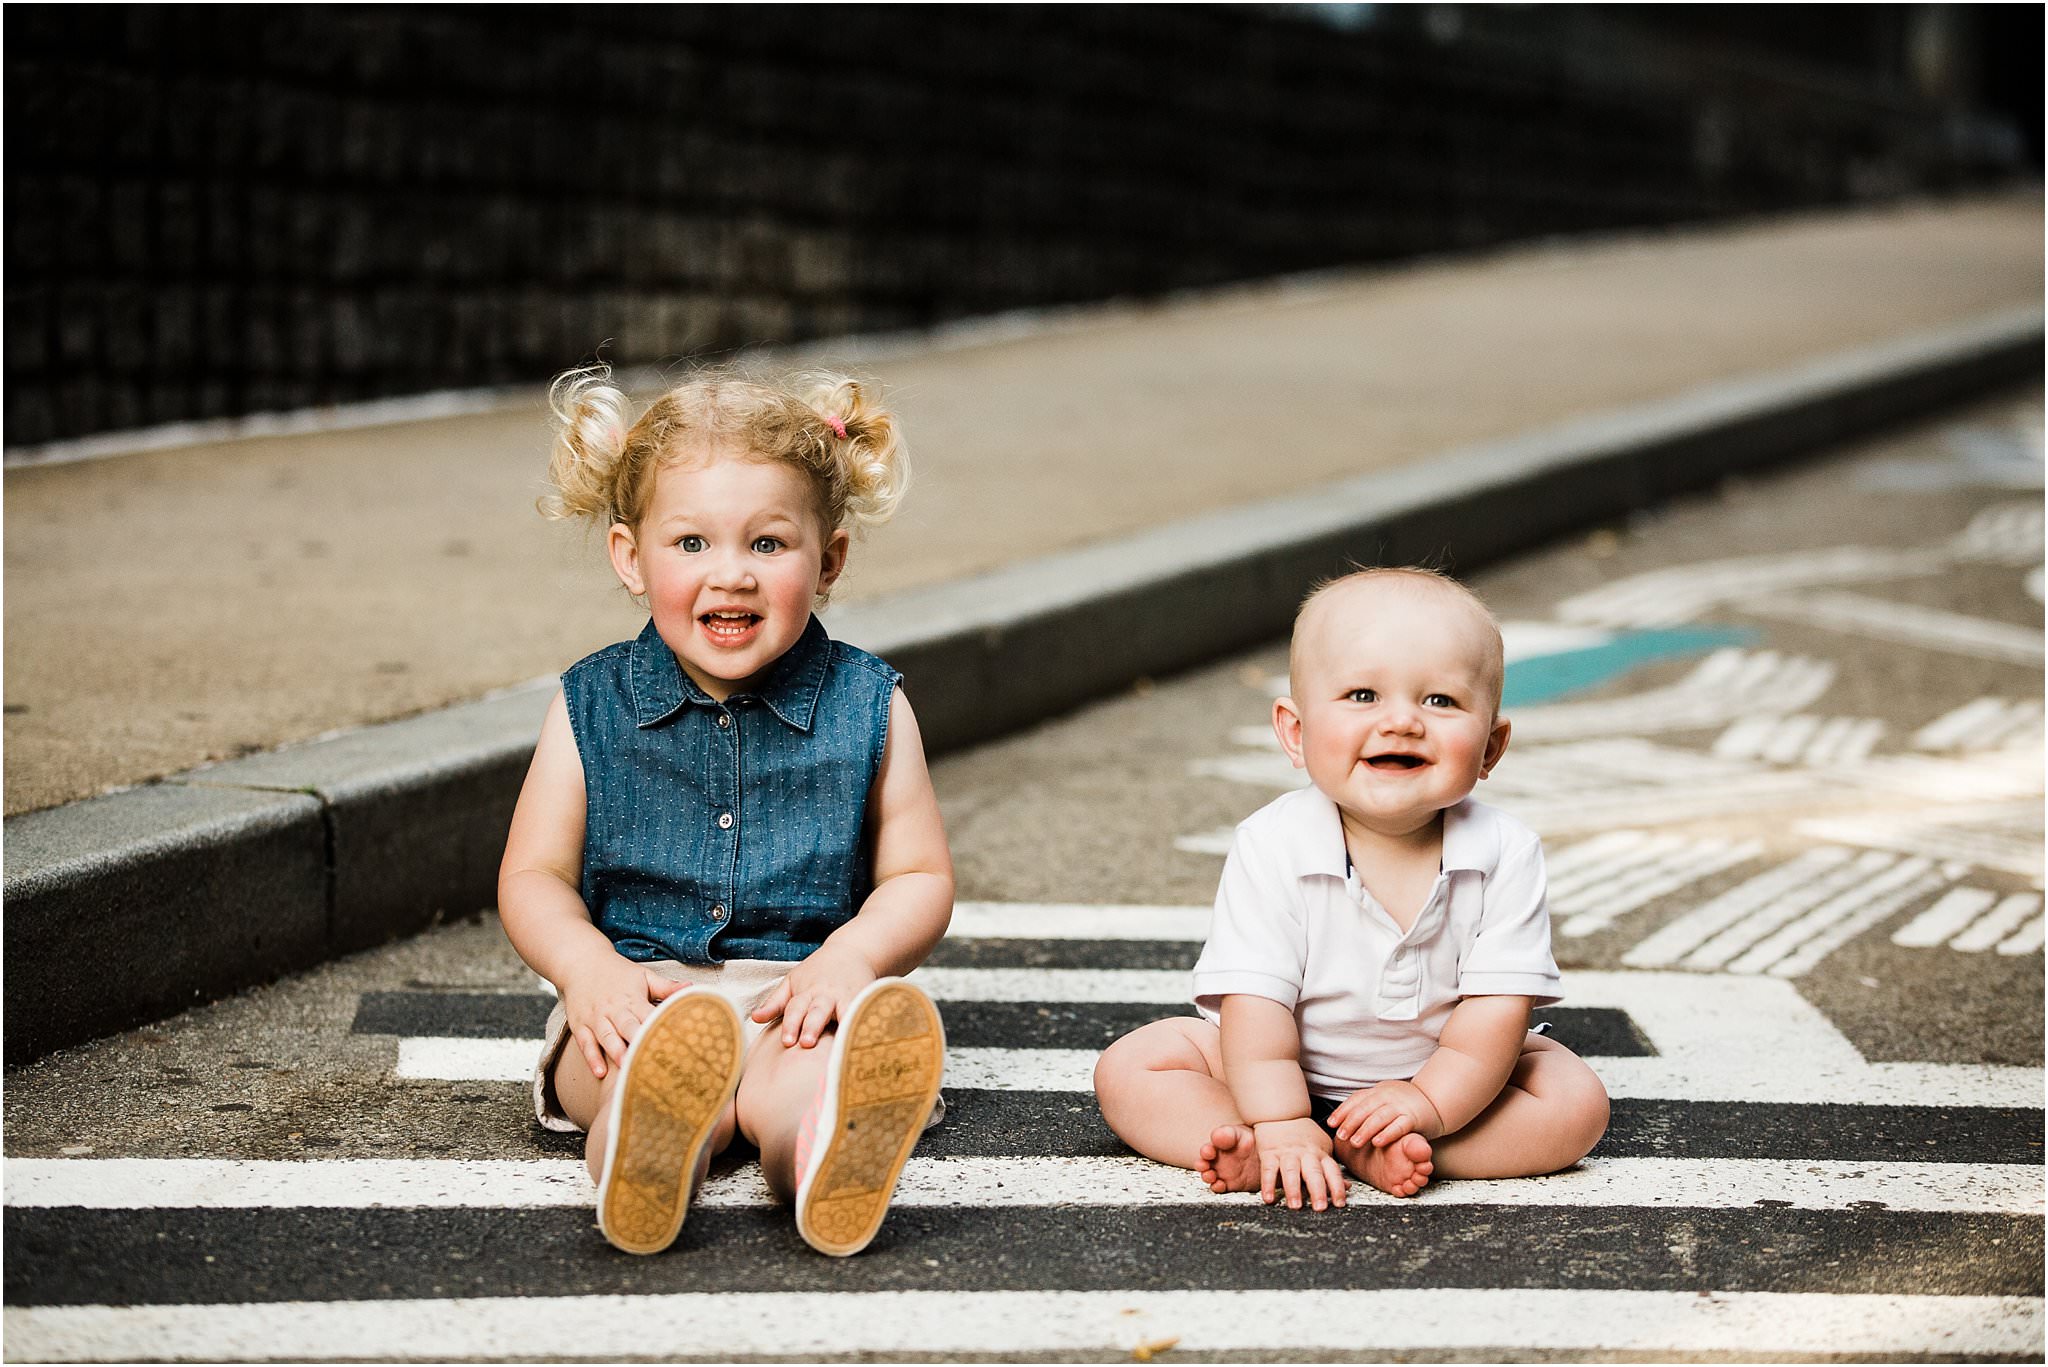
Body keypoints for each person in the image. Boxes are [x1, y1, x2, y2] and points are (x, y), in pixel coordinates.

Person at [498, 362, 952, 1257]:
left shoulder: (870, 703)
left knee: (804, 1081)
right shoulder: (591, 704)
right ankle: (647, 1147)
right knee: (627, 1073)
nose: (732, 575)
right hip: (640, 996)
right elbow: (533, 875)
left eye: (768, 545)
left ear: (829, 560)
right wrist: (587, 970)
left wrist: (853, 957)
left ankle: (818, 1152)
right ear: (632, 558)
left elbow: (921, 875)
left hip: (800, 998)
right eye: (693, 544)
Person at [1094, 567, 1608, 1208]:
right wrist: (1280, 1117)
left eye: (1440, 701)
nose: (1402, 722)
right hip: (1277, 1074)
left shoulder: (1506, 851)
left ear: (1491, 748)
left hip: (1444, 1079)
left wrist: (1427, 1105)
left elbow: (1493, 1015)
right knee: (1134, 1066)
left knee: (1575, 1103)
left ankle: (1399, 1150)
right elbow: (1255, 1005)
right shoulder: (1273, 842)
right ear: (1296, 732)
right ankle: (1278, 1150)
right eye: (1363, 696)